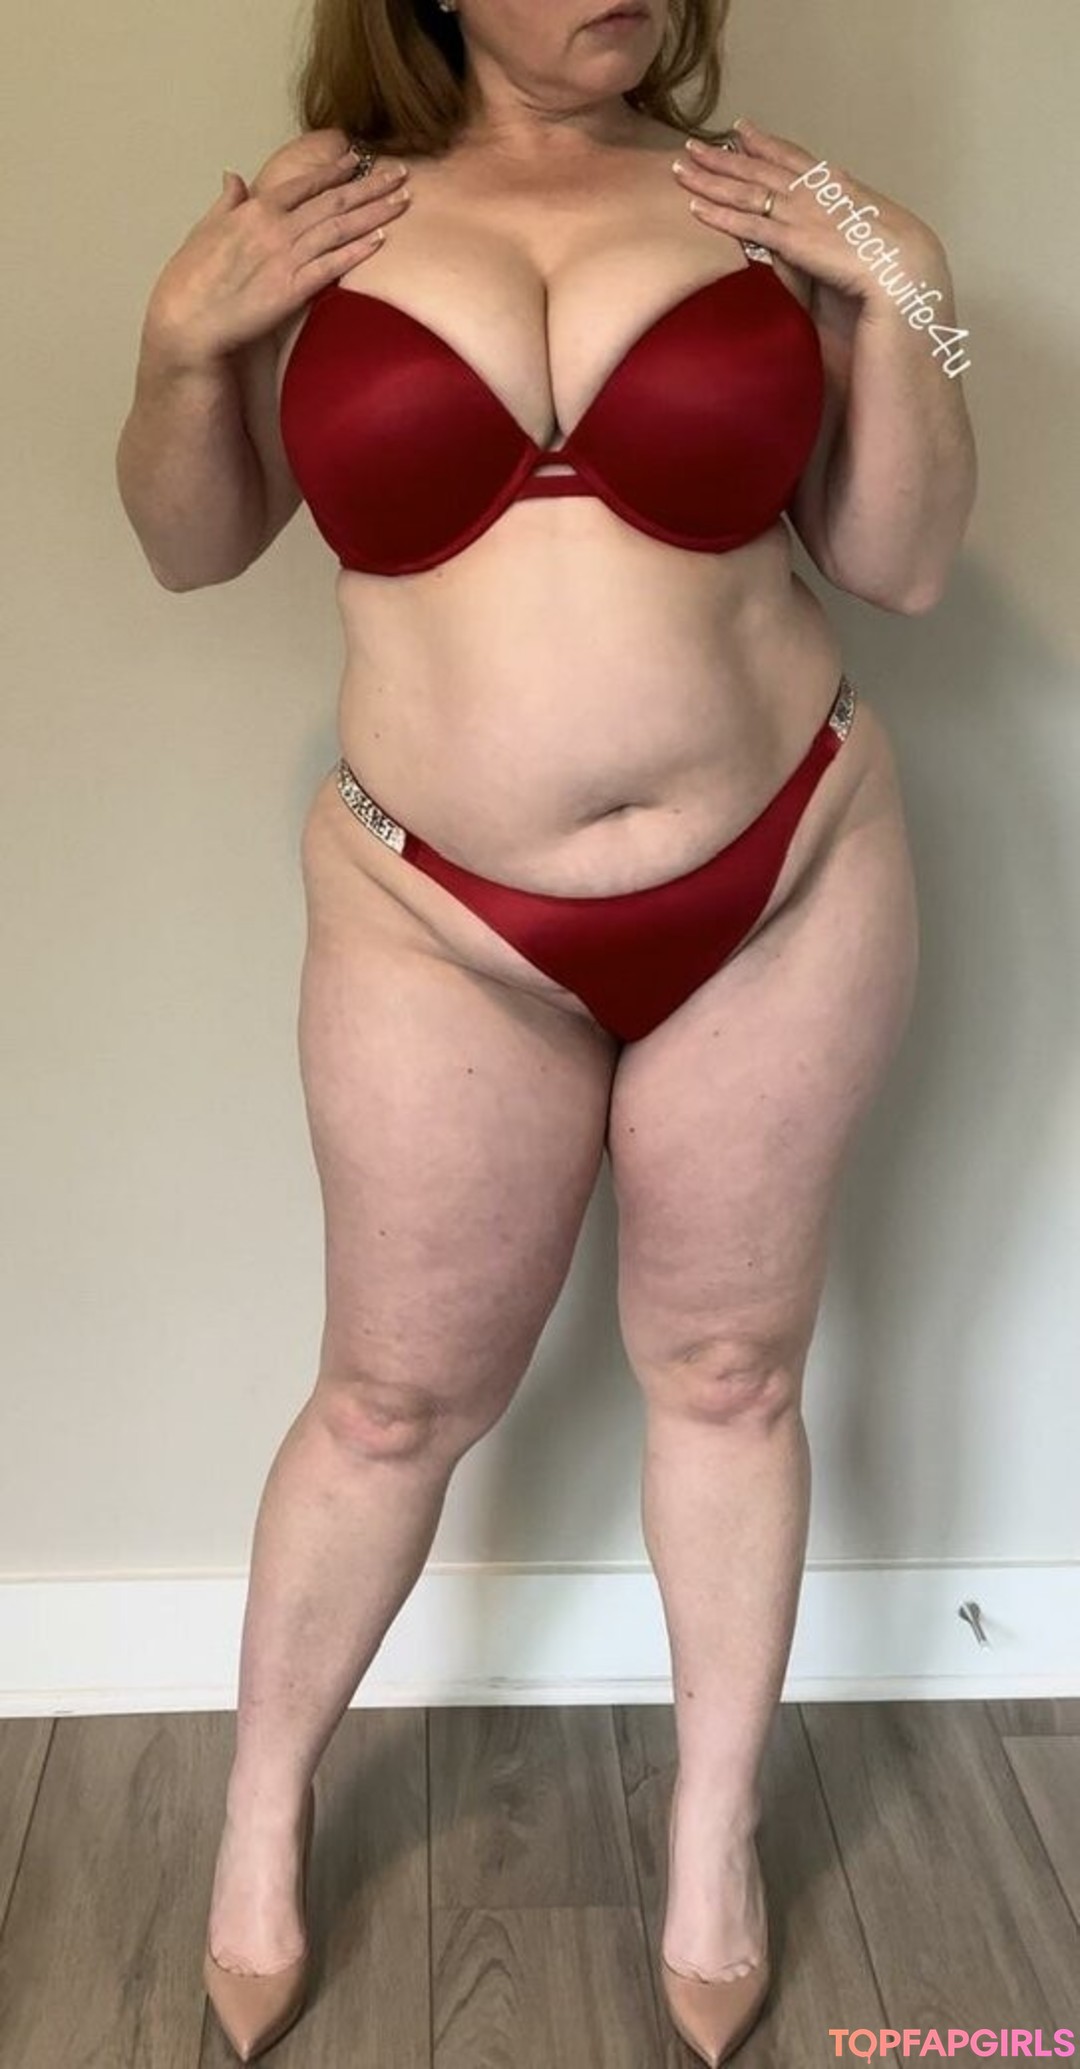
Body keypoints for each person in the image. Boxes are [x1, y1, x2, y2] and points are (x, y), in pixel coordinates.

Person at [115, 1, 976, 2060]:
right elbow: (187, 545)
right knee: (389, 1402)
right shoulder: (321, 217)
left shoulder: (762, 205)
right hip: (437, 913)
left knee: (732, 1374)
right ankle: (261, 1820)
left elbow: (905, 562)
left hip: (784, 872)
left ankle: (711, 1844)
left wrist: (915, 294)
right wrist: (175, 350)